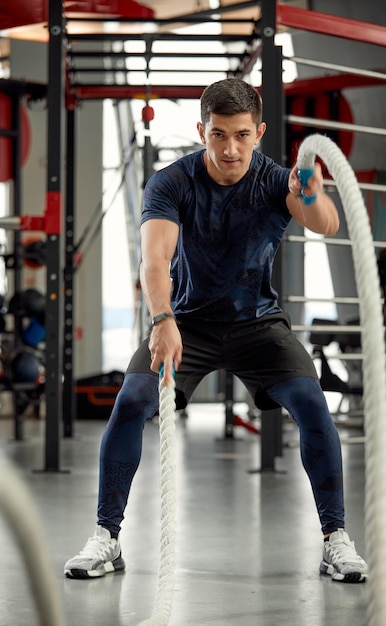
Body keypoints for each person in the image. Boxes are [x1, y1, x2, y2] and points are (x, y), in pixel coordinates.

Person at [65, 78, 368, 583]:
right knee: (132, 401)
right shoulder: (171, 182)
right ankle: (106, 538)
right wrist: (162, 320)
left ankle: (336, 540)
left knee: (315, 408)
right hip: (187, 324)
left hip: (259, 326)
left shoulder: (277, 180)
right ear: (201, 130)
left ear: (259, 132)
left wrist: (310, 191)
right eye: (219, 135)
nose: (231, 148)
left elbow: (326, 224)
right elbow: (155, 259)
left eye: (242, 136)